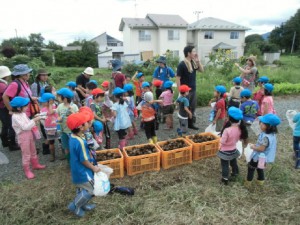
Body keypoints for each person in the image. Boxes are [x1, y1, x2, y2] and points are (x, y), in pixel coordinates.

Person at [66, 112, 101, 217]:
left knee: (81, 189)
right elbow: (84, 160)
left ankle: (83, 205)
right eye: (86, 122)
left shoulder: (73, 136)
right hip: (83, 171)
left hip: (77, 169)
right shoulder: (80, 142)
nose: (88, 123)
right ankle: (75, 206)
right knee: (91, 189)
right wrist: (93, 168)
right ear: (81, 127)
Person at [3, 64, 39, 150]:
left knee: (28, 130)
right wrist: (11, 109)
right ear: (23, 74)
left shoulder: (25, 83)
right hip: (21, 112)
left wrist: (33, 98)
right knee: (25, 130)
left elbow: (25, 95)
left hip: (27, 110)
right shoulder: (15, 84)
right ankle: (26, 149)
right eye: (28, 73)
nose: (29, 75)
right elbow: (5, 96)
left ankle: (30, 147)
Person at [10, 97, 45, 179]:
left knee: (33, 150)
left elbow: (28, 122)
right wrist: (35, 120)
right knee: (26, 154)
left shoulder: (22, 113)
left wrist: (33, 119)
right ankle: (27, 170)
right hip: (23, 136)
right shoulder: (15, 116)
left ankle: (35, 164)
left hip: (29, 134)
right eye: (25, 106)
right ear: (19, 108)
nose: (27, 107)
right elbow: (25, 127)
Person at [245, 114, 281, 187]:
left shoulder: (265, 137)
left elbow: (261, 148)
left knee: (251, 168)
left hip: (258, 157)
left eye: (262, 123)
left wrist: (253, 147)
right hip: (264, 158)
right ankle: (260, 181)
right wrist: (256, 145)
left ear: (268, 126)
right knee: (260, 168)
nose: (260, 124)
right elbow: (264, 145)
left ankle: (248, 183)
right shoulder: (271, 134)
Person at [217, 107, 248, 185]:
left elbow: (223, 141)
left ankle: (225, 179)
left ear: (229, 118)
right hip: (233, 149)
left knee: (225, 165)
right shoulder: (240, 128)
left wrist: (219, 141)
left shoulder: (227, 130)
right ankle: (235, 173)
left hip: (224, 151)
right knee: (233, 163)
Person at [176, 46, 204, 130]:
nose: (195, 53)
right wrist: (180, 91)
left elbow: (202, 70)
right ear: (188, 53)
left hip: (193, 89)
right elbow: (178, 78)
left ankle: (190, 124)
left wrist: (198, 61)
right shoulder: (182, 64)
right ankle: (183, 126)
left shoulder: (193, 62)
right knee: (184, 108)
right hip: (185, 91)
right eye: (194, 51)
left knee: (192, 107)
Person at [0, 66, 19, 150]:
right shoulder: (2, 85)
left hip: (1, 107)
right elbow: (7, 97)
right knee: (10, 125)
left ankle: (5, 142)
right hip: (4, 107)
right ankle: (12, 144)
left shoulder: (2, 83)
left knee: (5, 125)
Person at [57, 88, 79, 161]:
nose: (58, 98)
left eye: (59, 96)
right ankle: (69, 161)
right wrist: (59, 118)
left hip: (72, 131)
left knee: (74, 146)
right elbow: (58, 115)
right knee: (66, 147)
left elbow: (78, 117)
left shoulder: (74, 106)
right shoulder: (60, 106)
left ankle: (76, 160)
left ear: (65, 98)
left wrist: (72, 111)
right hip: (63, 130)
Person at [39, 93, 58, 162]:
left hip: (56, 127)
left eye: (43, 101)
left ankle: (60, 155)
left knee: (59, 141)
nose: (42, 103)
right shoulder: (54, 107)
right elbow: (42, 119)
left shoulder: (54, 107)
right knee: (51, 142)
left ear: (50, 101)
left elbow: (51, 112)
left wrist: (50, 104)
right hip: (50, 127)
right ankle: (52, 156)